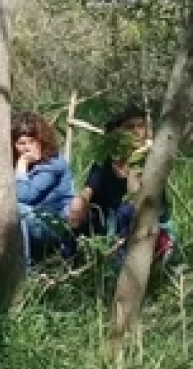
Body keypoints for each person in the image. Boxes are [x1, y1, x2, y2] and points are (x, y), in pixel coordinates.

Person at [0, 112, 75, 267]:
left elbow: (23, 196)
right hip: (24, 221)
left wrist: (22, 164)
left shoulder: (54, 164)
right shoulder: (10, 165)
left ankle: (22, 273)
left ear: (42, 141)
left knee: (15, 210)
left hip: (53, 227)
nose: (27, 148)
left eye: (32, 141)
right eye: (21, 143)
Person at [67, 104, 174, 260]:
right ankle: (69, 262)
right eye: (130, 127)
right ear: (117, 132)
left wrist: (133, 165)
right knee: (79, 217)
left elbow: (138, 197)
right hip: (107, 222)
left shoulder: (149, 163)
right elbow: (89, 188)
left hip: (141, 220)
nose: (137, 132)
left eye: (140, 126)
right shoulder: (105, 161)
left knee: (126, 212)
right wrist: (80, 201)